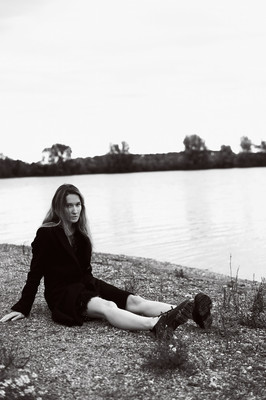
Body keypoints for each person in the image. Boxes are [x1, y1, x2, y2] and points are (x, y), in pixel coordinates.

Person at [1, 184, 212, 339]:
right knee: (107, 306)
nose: (74, 210)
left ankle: (190, 312)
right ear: (58, 207)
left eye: (78, 205)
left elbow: (85, 271)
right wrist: (23, 306)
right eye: (69, 206)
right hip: (62, 294)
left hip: (85, 284)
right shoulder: (47, 234)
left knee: (135, 301)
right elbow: (35, 272)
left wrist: (94, 287)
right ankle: (155, 325)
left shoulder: (81, 235)